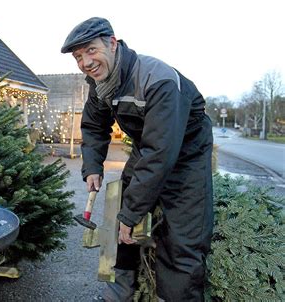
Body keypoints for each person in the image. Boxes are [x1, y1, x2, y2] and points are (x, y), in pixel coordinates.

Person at [61, 17, 213, 301]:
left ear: (112, 43)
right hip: (151, 145)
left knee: (183, 238)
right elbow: (94, 126)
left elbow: (161, 155)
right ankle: (120, 288)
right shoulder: (101, 84)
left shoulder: (158, 79)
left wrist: (132, 215)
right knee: (118, 204)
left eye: (91, 50)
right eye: (78, 57)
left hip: (187, 151)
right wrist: (92, 167)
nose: (86, 62)